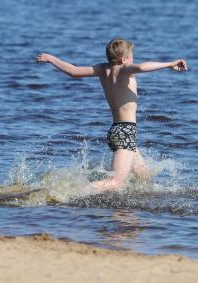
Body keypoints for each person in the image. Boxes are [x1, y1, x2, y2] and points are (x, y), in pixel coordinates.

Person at [36, 38, 187, 191]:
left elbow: (73, 71)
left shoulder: (102, 69)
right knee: (115, 183)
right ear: (124, 59)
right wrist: (170, 64)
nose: (133, 59)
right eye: (132, 56)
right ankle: (67, 192)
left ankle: (135, 208)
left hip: (116, 130)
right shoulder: (124, 69)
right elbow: (142, 67)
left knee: (144, 176)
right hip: (126, 132)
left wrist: (50, 58)